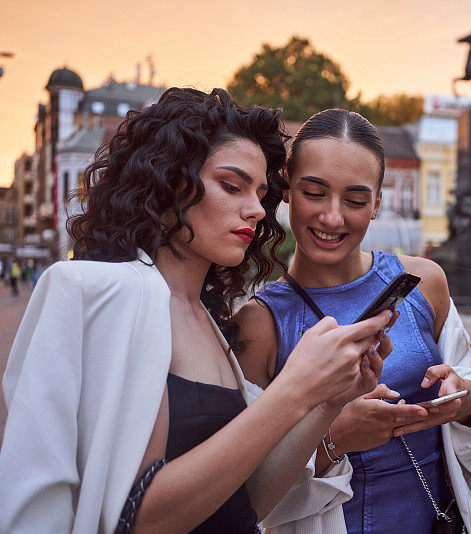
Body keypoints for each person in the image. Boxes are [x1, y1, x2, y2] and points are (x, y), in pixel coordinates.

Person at [0, 88, 395, 533]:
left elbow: (249, 503)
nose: (255, 210)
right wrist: (295, 390)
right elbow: (139, 518)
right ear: (170, 182)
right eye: (232, 186)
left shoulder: (212, 320)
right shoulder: (93, 290)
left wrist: (327, 401)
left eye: (262, 193)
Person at [233, 108, 471, 534]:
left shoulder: (424, 283)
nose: (333, 218)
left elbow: (470, 390)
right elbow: (245, 494)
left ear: (376, 204)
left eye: (355, 201)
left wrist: (466, 398)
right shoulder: (257, 325)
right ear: (286, 191)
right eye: (314, 193)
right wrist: (333, 439)